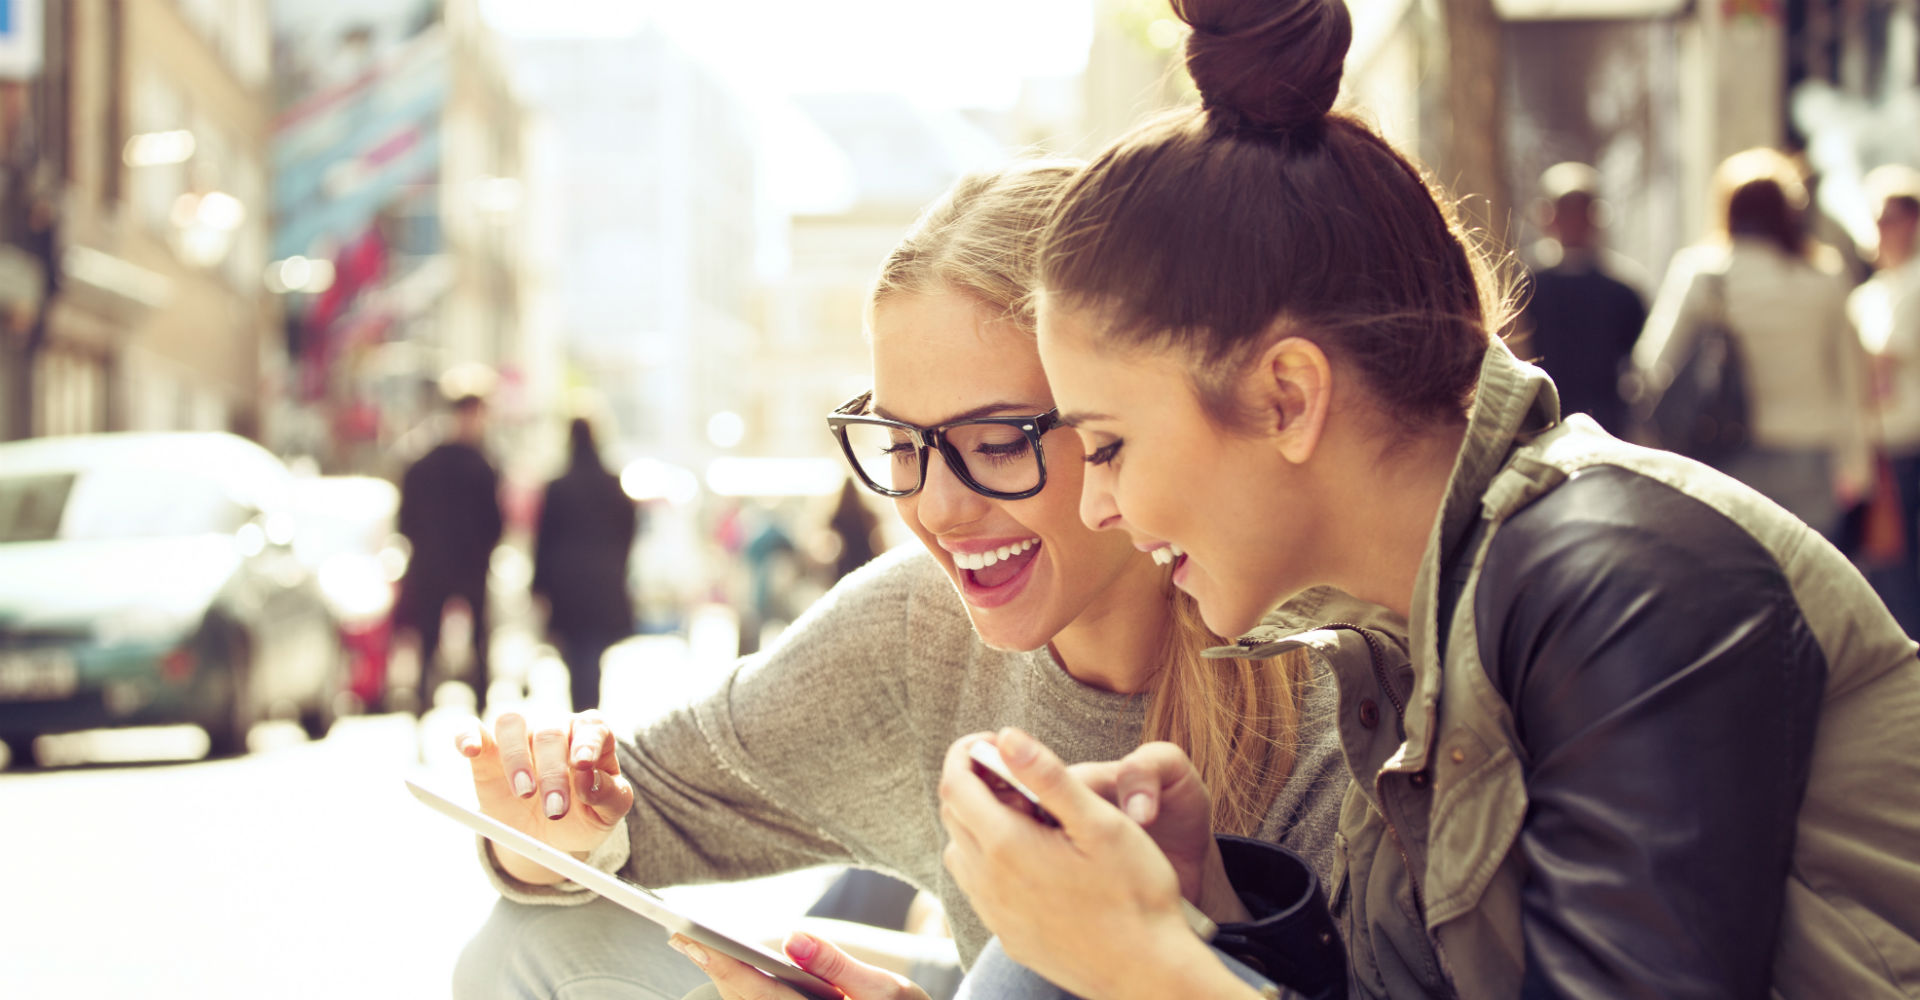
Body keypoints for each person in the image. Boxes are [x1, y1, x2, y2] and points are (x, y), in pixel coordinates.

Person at [928, 1, 1920, 998]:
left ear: (1287, 398)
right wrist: (1210, 895)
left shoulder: (1624, 573)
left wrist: (1144, 960)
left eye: (1106, 445)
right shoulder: (1412, 619)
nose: (1096, 503)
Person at [449, 162, 1392, 1000]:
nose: (938, 507)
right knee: (531, 946)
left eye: (995, 442)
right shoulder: (915, 627)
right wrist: (546, 826)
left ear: (1117, 424)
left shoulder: (1327, 679)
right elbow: (644, 804)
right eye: (902, 444)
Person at [1634, 147, 1871, 540]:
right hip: (1810, 457)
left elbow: (1654, 362)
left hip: (1726, 453)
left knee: (1741, 586)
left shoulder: (1705, 274)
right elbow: (1852, 380)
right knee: (1808, 587)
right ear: (1788, 212)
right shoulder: (1825, 279)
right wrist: (1858, 469)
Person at [1517, 162, 1647, 437]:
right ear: (1548, 218)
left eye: (1580, 213)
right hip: (1543, 425)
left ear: (1596, 218)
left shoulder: (1623, 292)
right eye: (1565, 213)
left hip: (1607, 428)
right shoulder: (1525, 287)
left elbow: (1638, 362)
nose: (1573, 223)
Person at [398, 390, 505, 713]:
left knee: (432, 640)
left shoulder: (421, 465)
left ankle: (424, 705)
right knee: (475, 639)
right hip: (466, 565)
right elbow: (495, 523)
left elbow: (405, 521)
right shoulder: (481, 465)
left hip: (433, 564)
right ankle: (479, 708)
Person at [1851, 165, 1920, 635]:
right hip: (1878, 446)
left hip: (1909, 442)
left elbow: (1880, 363)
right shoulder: (1868, 294)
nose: (1881, 230)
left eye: (1891, 218)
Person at [533, 417, 640, 713]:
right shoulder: (611, 484)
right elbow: (628, 529)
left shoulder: (558, 486)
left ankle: (581, 712)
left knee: (575, 652)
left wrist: (539, 585)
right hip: (603, 581)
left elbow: (544, 538)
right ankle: (589, 711)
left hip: (567, 584)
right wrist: (617, 564)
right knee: (592, 652)